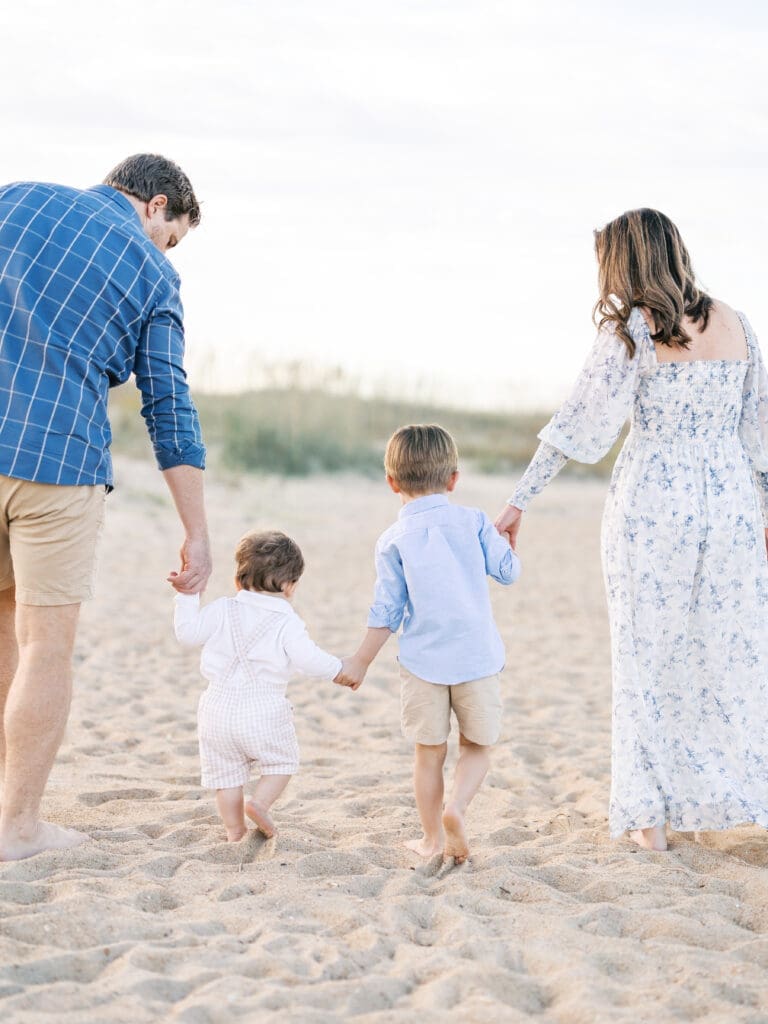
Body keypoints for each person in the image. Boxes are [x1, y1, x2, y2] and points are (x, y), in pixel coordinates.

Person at [495, 208, 768, 852]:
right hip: (729, 506)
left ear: (628, 260)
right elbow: (758, 434)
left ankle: (651, 822)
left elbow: (576, 425)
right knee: (724, 658)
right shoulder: (739, 324)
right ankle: (712, 802)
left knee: (647, 659)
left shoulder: (633, 333)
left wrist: (518, 501)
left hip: (655, 508)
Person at [0, 154, 211, 861]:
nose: (167, 251)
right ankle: (20, 827)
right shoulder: (156, 278)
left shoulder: (16, 198)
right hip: (57, 464)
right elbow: (168, 408)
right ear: (156, 205)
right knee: (43, 648)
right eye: (172, 234)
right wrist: (197, 532)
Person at [338, 425, 521, 863]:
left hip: (423, 664)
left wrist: (360, 662)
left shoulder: (392, 540)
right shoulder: (474, 521)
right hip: (477, 658)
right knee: (477, 746)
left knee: (428, 754)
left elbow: (387, 609)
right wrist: (509, 542)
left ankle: (432, 838)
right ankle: (457, 808)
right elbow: (508, 572)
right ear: (454, 479)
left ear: (392, 483)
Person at [174, 530, 343, 842]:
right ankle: (260, 803)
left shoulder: (222, 608)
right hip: (263, 707)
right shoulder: (286, 621)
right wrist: (338, 669)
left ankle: (234, 832)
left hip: (216, 707)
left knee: (226, 777)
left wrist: (187, 596)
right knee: (282, 761)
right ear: (290, 586)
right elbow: (308, 660)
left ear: (238, 580)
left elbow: (187, 634)